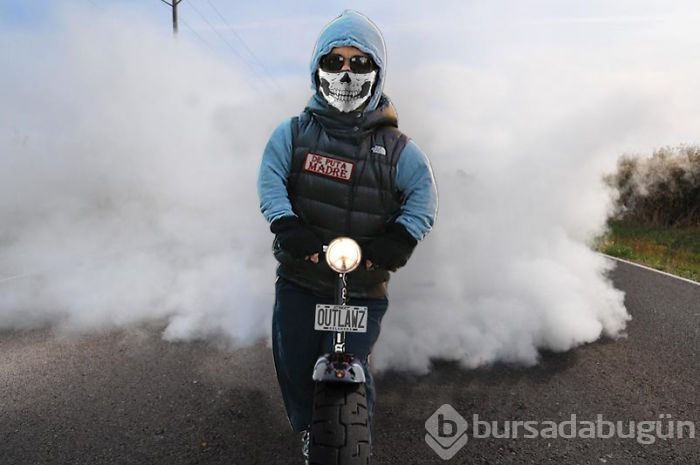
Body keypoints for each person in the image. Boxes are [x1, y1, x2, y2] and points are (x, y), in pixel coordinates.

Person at [257, 9, 438, 462]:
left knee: (353, 366)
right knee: (294, 362)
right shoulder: (293, 134)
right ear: (317, 66)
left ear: (376, 74)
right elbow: (270, 180)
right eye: (335, 61)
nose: (345, 73)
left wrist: (399, 239)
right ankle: (307, 428)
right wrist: (287, 224)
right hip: (301, 278)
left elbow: (423, 197)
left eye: (359, 64)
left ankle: (355, 440)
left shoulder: (399, 149)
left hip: (362, 286)